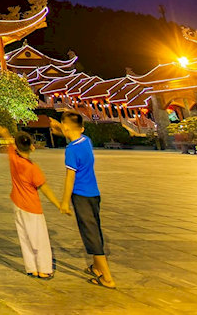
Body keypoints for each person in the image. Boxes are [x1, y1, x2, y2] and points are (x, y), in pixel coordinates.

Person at [59, 111, 117, 289]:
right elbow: (75, 133)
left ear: (66, 127)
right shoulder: (86, 141)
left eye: (62, 125)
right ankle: (97, 268)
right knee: (95, 229)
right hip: (94, 194)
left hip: (81, 195)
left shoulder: (71, 150)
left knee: (90, 235)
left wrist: (64, 201)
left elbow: (70, 177)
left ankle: (107, 278)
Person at [9, 131, 63, 279]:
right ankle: (44, 269)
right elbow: (44, 189)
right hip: (31, 207)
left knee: (25, 237)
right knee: (39, 239)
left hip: (17, 204)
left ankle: (31, 267)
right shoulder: (32, 168)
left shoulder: (13, 158)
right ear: (32, 147)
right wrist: (59, 204)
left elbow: (10, 144)